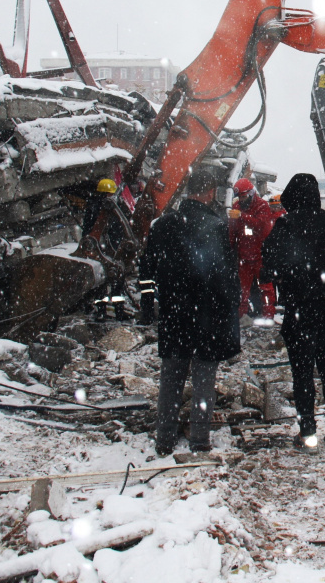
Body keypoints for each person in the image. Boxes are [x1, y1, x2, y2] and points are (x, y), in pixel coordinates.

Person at [138, 169, 241, 456]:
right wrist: (229, 313)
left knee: (171, 380)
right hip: (206, 318)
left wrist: (149, 307)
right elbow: (225, 278)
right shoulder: (215, 226)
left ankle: (165, 439)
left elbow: (146, 272)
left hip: (173, 316)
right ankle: (199, 439)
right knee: (203, 382)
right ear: (209, 193)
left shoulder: (161, 226)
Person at [261, 173, 325, 449]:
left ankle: (307, 433)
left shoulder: (285, 225)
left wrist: (286, 276)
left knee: (302, 373)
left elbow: (269, 267)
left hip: (299, 313)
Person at [228, 178, 276, 319]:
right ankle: (241, 317)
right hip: (244, 257)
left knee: (266, 289)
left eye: (244, 196)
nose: (242, 200)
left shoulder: (262, 206)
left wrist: (241, 216)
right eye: (240, 197)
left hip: (261, 256)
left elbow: (260, 224)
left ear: (251, 193)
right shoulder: (237, 207)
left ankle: (268, 317)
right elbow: (233, 232)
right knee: (243, 291)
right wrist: (230, 249)